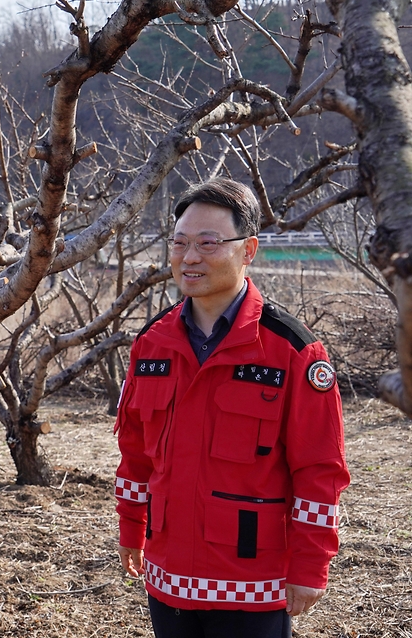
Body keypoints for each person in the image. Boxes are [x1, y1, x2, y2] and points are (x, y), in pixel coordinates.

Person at [113, 178, 350, 638]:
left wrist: (310, 564)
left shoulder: (292, 350)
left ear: (249, 250)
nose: (190, 257)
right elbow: (136, 453)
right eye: (179, 243)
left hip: (252, 583)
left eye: (209, 243)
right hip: (168, 576)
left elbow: (320, 470)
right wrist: (130, 527)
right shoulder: (152, 343)